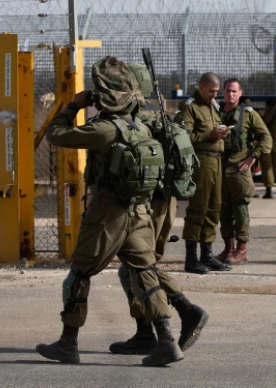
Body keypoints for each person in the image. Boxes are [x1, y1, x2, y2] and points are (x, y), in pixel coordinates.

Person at [36, 56, 183, 367]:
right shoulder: (142, 126)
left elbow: (55, 135)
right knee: (144, 273)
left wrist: (73, 106)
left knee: (79, 274)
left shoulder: (103, 129)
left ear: (103, 94)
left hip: (107, 216)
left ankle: (67, 343)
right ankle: (167, 340)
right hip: (138, 214)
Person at [109, 62, 208, 356]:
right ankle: (145, 332)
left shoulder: (133, 123)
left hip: (147, 204)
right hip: (166, 202)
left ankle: (185, 309)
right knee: (135, 268)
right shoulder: (157, 118)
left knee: (140, 267)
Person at [216, 79, 272, 264]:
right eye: (227, 91)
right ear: (222, 92)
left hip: (239, 168)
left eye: (234, 91)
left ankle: (241, 249)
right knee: (223, 211)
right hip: (219, 168)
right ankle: (228, 248)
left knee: (240, 210)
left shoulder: (248, 114)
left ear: (240, 93)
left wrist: (253, 156)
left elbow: (266, 138)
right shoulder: (216, 112)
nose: (230, 95)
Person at [181, 72, 232, 274]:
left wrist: (221, 133)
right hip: (200, 161)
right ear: (201, 87)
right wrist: (210, 134)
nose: (214, 95)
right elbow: (184, 137)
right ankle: (191, 259)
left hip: (216, 161)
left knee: (214, 208)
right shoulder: (190, 107)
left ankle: (207, 256)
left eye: (217, 92)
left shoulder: (214, 107)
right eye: (211, 91)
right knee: (198, 208)